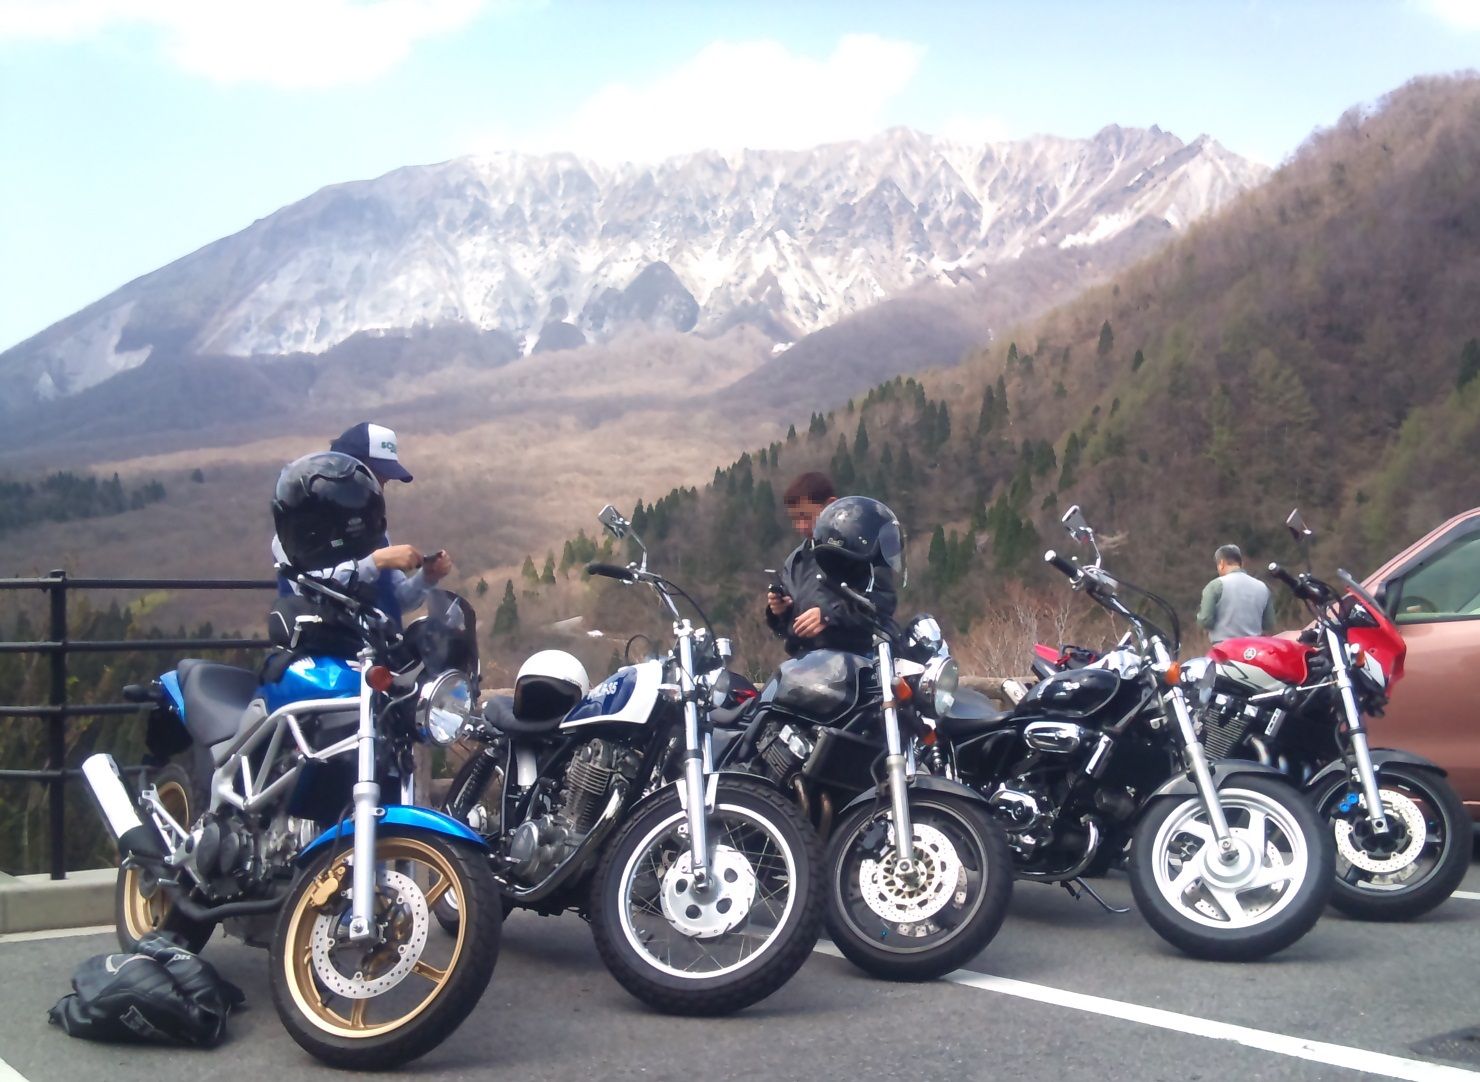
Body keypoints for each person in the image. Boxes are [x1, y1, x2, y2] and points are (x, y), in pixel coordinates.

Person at [271, 422, 452, 628]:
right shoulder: (293, 534)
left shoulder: (374, 530)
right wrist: (375, 562)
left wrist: (426, 578)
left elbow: (394, 601)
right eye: (373, 478)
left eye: (383, 482)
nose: (377, 490)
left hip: (380, 646)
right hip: (320, 646)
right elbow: (309, 590)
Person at [765, 475, 900, 656]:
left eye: (806, 517)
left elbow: (882, 602)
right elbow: (787, 629)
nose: (801, 526)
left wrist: (829, 616)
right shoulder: (795, 561)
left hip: (859, 659)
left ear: (830, 505)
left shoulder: (860, 549)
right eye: (795, 519)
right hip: (806, 662)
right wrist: (780, 612)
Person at [1197, 544, 1276, 643]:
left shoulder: (1215, 586)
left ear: (1221, 563)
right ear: (1241, 563)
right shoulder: (1263, 587)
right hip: (1254, 647)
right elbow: (1269, 624)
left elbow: (1205, 621)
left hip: (1224, 647)